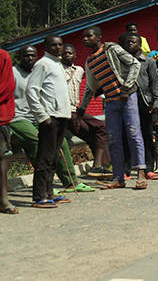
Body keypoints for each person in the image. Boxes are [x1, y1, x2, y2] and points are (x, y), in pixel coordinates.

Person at [11, 45, 85, 198]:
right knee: (39, 143)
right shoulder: (13, 73)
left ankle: (70, 182)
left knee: (61, 143)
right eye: (26, 56)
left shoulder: (41, 69)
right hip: (18, 117)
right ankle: (43, 187)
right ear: (19, 57)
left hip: (40, 115)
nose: (30, 59)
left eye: (33, 55)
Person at [80, 26, 148, 190]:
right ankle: (118, 177)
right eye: (84, 37)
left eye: (89, 36)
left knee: (133, 134)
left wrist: (126, 87)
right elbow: (90, 87)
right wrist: (81, 110)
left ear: (98, 37)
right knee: (113, 139)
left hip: (127, 97)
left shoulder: (112, 49)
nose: (85, 39)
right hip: (110, 102)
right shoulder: (90, 61)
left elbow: (134, 64)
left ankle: (141, 172)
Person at [26, 35, 74, 207]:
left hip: (62, 116)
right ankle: (39, 197)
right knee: (45, 158)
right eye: (54, 45)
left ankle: (49, 192)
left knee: (54, 158)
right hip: (50, 117)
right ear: (45, 46)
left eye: (60, 44)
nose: (58, 47)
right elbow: (32, 91)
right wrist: (42, 115)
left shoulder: (58, 64)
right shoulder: (42, 64)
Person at [60, 43, 111, 179]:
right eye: (64, 53)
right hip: (64, 111)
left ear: (75, 55)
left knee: (100, 128)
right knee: (96, 132)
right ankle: (99, 166)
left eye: (70, 53)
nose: (67, 55)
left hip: (76, 109)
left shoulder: (80, 70)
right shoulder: (57, 70)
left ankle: (100, 166)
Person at [124, 33, 158, 179]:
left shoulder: (148, 62)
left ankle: (149, 169)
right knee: (127, 136)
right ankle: (126, 170)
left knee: (147, 136)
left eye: (133, 42)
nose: (130, 44)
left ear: (140, 45)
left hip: (145, 103)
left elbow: (155, 84)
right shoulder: (122, 62)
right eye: (128, 42)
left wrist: (156, 102)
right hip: (127, 102)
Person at [0, 48, 16, 214]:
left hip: (0, 115)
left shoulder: (3, 56)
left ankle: (3, 198)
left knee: (0, 156)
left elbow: (7, 86)